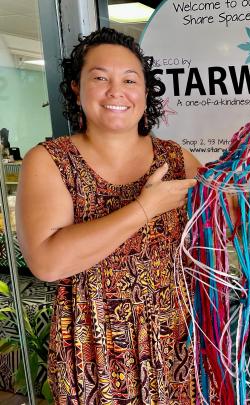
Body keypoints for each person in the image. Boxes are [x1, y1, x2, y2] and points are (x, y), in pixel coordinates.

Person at [16, 28, 200, 404]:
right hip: (94, 350)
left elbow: (225, 230)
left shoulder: (177, 159)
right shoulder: (50, 160)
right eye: (100, 78)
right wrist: (145, 208)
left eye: (130, 80)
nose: (116, 91)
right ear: (75, 89)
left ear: (146, 92)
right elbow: (48, 262)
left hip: (174, 343)